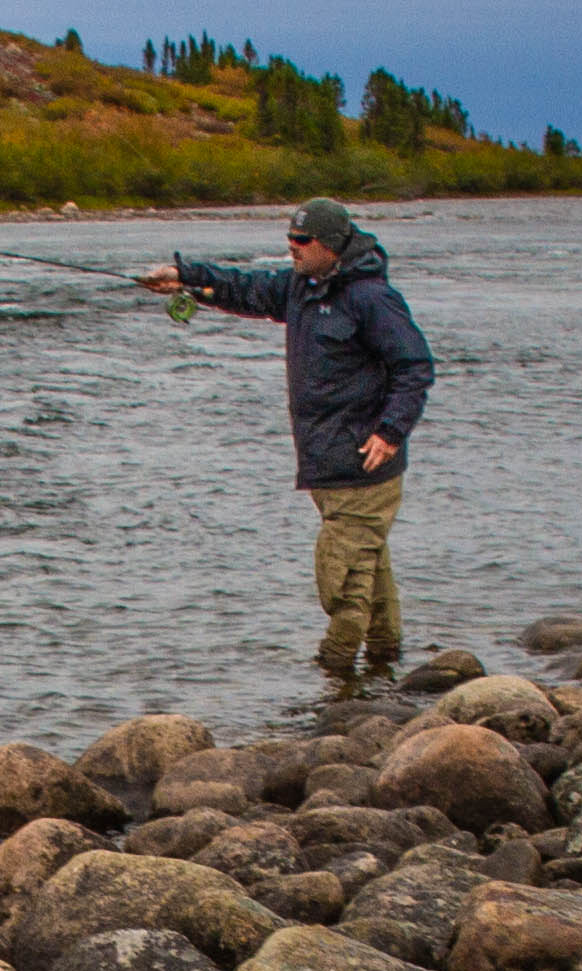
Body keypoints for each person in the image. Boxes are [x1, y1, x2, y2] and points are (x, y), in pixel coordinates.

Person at [142, 197, 437, 674]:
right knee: (369, 574)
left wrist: (390, 432)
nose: (292, 249)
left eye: (302, 242)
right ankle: (385, 677)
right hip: (328, 466)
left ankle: (334, 684)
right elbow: (247, 289)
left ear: (332, 246)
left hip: (364, 468)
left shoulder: (371, 299)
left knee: (341, 581)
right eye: (289, 240)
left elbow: (415, 367)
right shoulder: (303, 288)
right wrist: (185, 280)